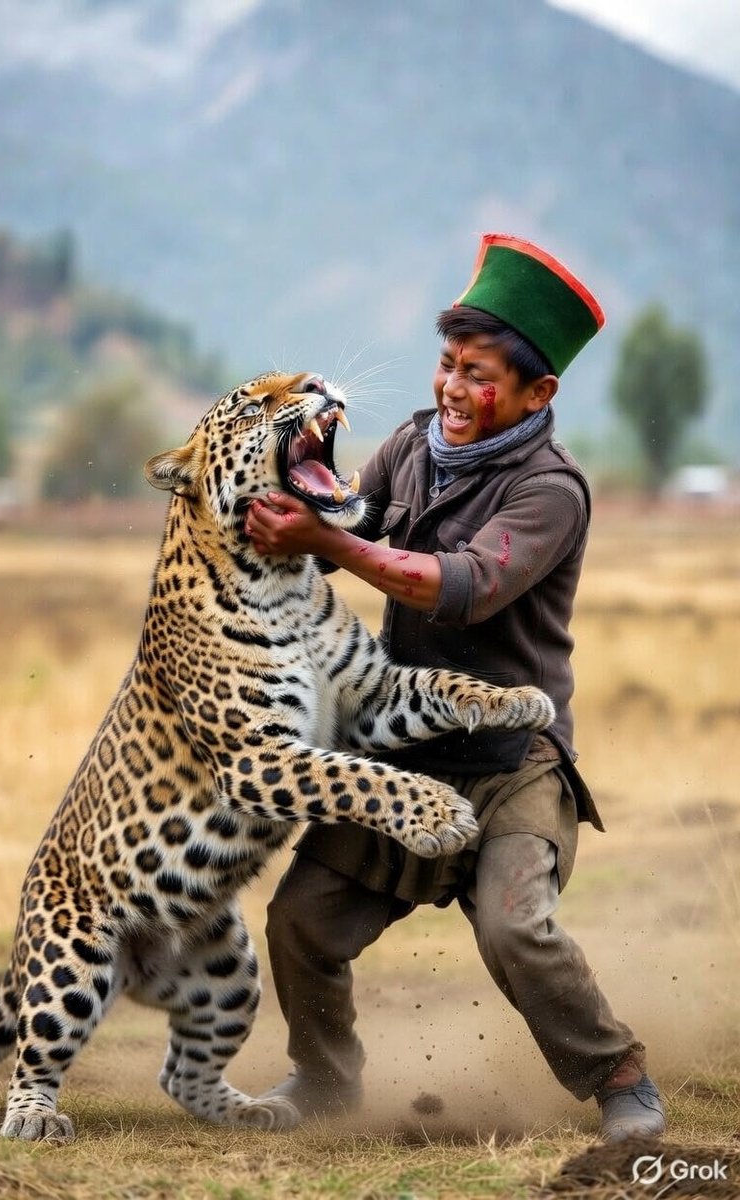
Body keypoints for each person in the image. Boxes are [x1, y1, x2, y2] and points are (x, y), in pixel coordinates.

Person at [244, 233, 666, 1143]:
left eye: (478, 375)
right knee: (301, 924)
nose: (452, 390)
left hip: (516, 762)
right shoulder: (410, 449)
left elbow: (457, 586)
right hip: (406, 758)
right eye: (447, 365)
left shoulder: (551, 491)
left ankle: (621, 1076)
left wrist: (328, 545)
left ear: (535, 394)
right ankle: (325, 1081)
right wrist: (275, 481)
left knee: (516, 934)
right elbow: (346, 513)